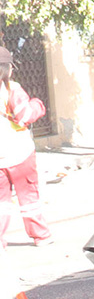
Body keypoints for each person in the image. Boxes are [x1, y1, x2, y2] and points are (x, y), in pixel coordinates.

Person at [0, 47, 53, 250]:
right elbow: (25, 116)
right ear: (8, 70)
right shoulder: (12, 89)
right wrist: (37, 104)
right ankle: (41, 236)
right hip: (19, 154)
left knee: (1, 201)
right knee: (28, 196)